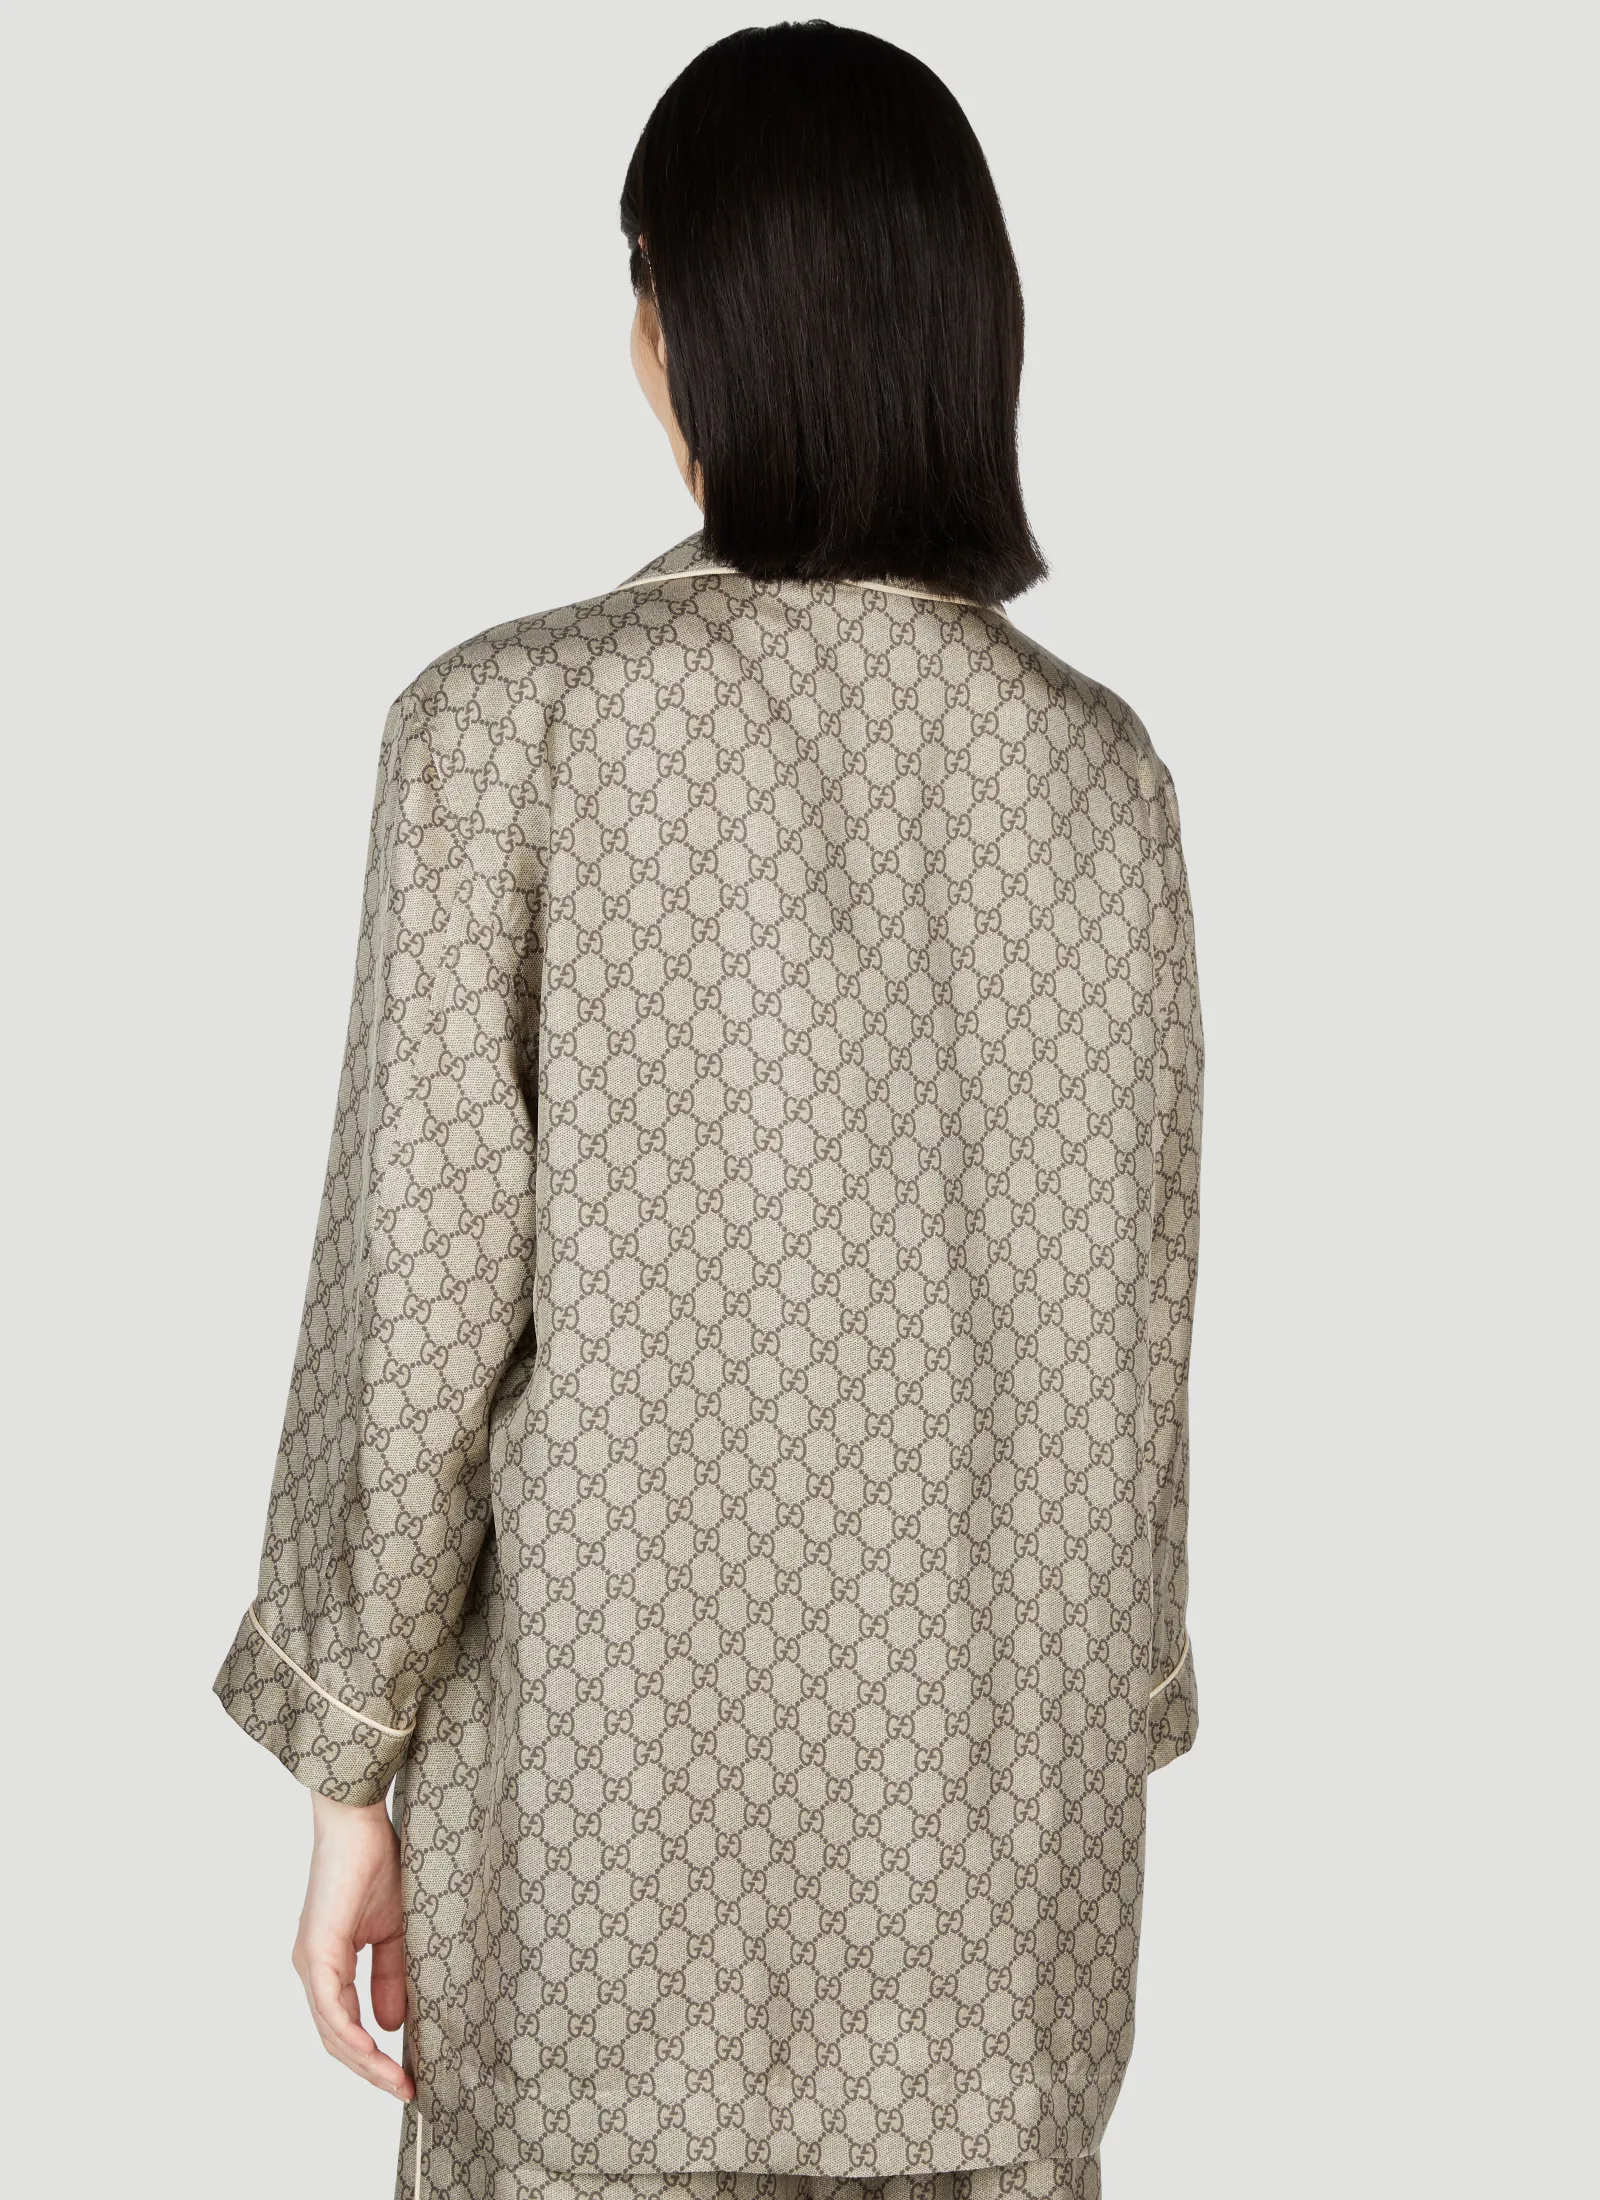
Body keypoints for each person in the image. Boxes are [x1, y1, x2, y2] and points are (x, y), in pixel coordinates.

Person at [213, 23, 1204, 2200]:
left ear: (683, 318)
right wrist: (1111, 1712)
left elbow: (419, 1308)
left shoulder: (508, 731)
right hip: (993, 1876)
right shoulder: (1096, 776)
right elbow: (1135, 1332)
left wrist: (347, 1761)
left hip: (603, 1870)